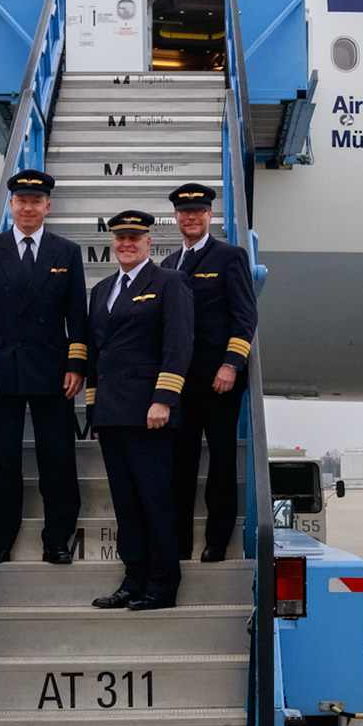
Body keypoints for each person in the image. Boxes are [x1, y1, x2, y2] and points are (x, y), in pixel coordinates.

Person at [0, 169, 87, 565]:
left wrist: (76, 364)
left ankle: (57, 540)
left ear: (48, 206)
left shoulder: (66, 252)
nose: (28, 208)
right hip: (0, 371)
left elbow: (77, 315)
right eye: (22, 201)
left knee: (58, 458)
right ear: (11, 205)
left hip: (53, 371)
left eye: (36, 202)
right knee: (0, 460)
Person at [85, 210, 194, 610]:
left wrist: (164, 399)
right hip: (113, 413)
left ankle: (162, 584)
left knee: (155, 500)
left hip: (150, 411)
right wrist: (94, 410)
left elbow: (178, 344)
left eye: (134, 237)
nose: (127, 244)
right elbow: (96, 353)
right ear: (113, 243)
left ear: (149, 242)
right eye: (120, 238)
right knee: (126, 503)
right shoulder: (102, 290)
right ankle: (133, 580)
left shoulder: (169, 282)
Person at [160, 184, 257, 562]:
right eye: (185, 213)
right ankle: (180, 543)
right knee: (180, 465)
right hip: (179, 383)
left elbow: (245, 316)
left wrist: (231, 364)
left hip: (219, 380)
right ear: (176, 218)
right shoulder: (169, 265)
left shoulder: (230, 257)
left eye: (198, 212)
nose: (191, 218)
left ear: (209, 216)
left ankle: (217, 541)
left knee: (220, 462)